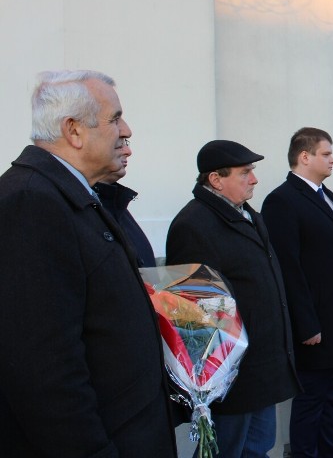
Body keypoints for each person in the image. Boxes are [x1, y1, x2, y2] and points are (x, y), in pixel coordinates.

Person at [0, 70, 177, 456]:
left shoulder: (74, 196)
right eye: (115, 118)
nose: (126, 130)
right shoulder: (31, 203)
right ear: (74, 130)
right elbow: (45, 373)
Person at [166, 140, 301, 456]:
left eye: (252, 171)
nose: (253, 179)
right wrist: (216, 379)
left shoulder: (247, 214)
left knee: (259, 448)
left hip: (262, 365)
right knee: (228, 450)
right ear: (216, 179)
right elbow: (194, 316)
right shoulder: (192, 225)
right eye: (245, 172)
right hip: (231, 379)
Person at [261, 127, 333, 458]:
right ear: (304, 157)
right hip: (315, 325)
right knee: (311, 398)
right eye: (326, 153)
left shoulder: (326, 195)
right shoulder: (282, 201)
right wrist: (306, 324)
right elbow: (288, 270)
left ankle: (330, 451)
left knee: (329, 395)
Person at [93, 137, 156, 268]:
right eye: (118, 142)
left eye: (125, 143)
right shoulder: (75, 207)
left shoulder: (115, 201)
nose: (128, 151)